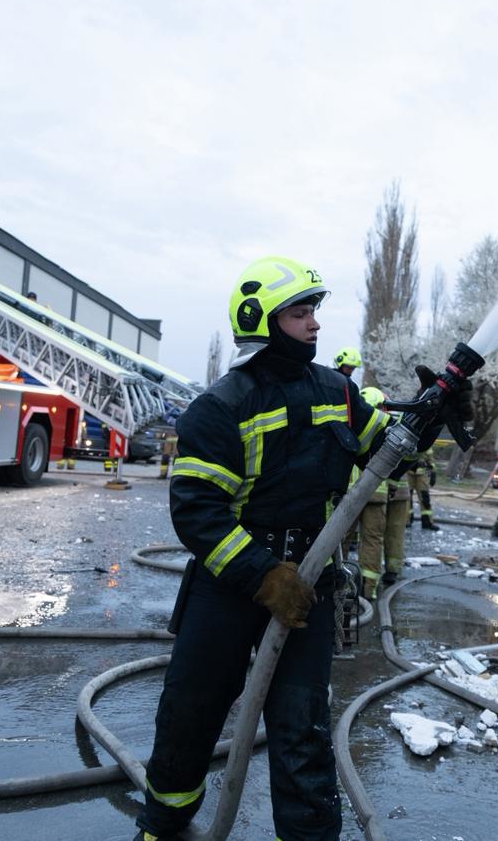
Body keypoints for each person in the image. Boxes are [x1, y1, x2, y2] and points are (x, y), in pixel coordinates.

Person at [138, 257, 406, 841]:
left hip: (308, 581)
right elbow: (198, 512)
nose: (314, 324)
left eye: (314, 312)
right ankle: (164, 824)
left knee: (302, 725)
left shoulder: (336, 390)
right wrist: (263, 575)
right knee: (190, 711)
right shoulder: (222, 406)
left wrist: (432, 415)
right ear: (261, 320)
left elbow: (387, 451)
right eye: (300, 313)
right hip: (232, 585)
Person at [355, 387, 410, 598]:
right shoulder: (388, 430)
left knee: (340, 539)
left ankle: (338, 587)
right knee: (373, 540)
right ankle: (368, 589)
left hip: (351, 495)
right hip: (377, 493)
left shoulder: (354, 427)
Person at [403, 446, 438, 530]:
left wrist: (433, 474)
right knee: (407, 497)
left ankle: (427, 522)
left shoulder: (426, 442)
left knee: (425, 498)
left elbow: (431, 460)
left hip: (423, 473)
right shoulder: (409, 441)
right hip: (408, 472)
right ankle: (407, 520)